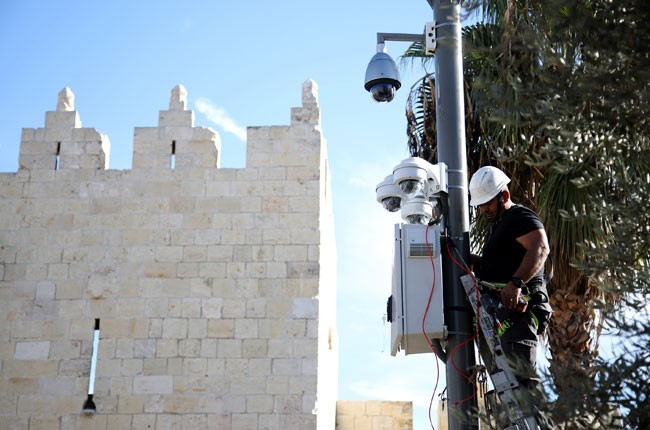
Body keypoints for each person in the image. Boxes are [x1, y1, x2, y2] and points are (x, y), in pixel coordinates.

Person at [469, 166, 554, 425]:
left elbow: (540, 248)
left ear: (504, 196)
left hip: (521, 309)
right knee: (510, 380)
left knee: (522, 377)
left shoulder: (518, 216)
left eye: (488, 204)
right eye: (480, 205)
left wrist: (516, 283)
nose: (484, 210)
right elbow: (498, 266)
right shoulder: (499, 227)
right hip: (505, 310)